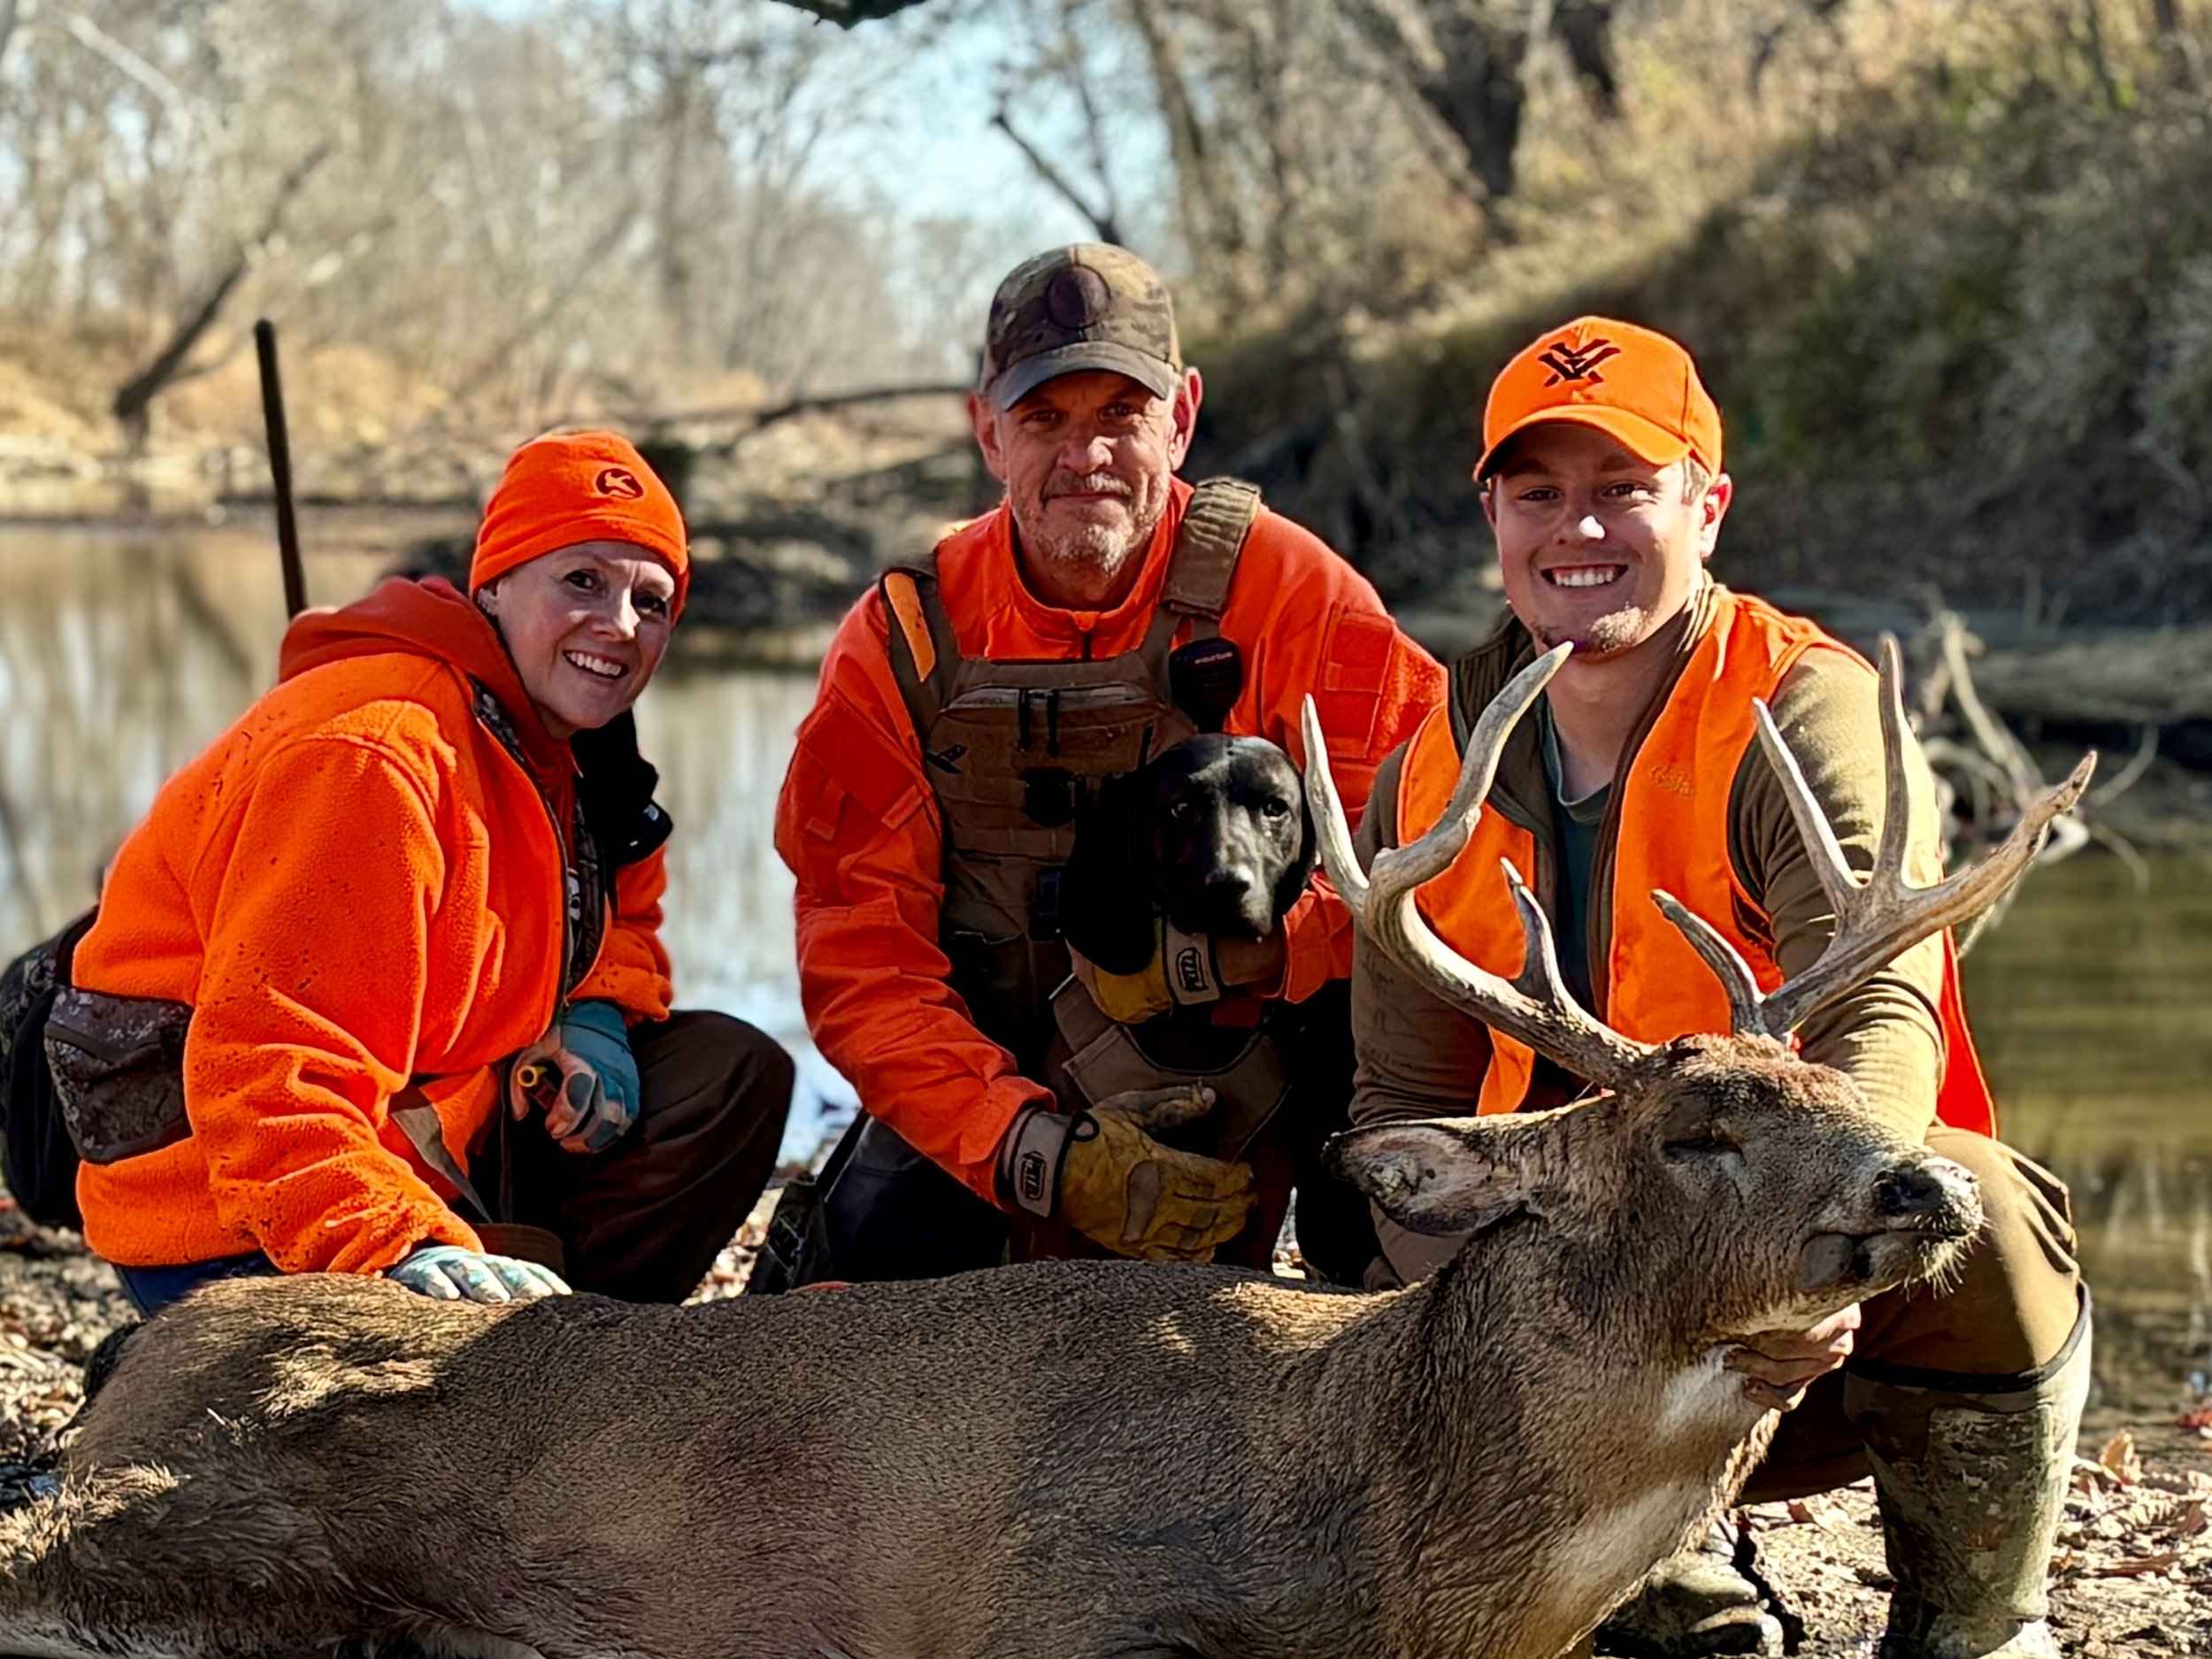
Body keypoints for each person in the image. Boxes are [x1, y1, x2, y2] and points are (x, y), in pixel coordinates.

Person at [1346, 318, 2087, 1659]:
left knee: (1991, 1227)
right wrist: (1508, 1338)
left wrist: (1813, 1267)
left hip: (1803, 1270)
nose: (1580, 529)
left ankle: (1974, 1623)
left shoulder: (1796, 707)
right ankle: (1636, 1559)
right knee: (1363, 1219)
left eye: (1625, 487)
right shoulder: (1425, 774)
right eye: (1540, 493)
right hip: (1573, 1298)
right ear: (1496, 518)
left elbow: (1883, 1009)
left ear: (1707, 503)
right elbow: (1403, 1095)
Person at [769, 243, 1445, 1286]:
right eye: (1045, 419)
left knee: (1402, 1254)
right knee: (853, 1301)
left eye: (1119, 416)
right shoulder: (902, 640)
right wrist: (1036, 1156)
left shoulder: (1295, 595)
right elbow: (862, 963)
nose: (1084, 455)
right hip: (989, 1071)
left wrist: (1256, 956)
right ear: (987, 430)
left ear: (1180, 418)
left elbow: (1426, 857)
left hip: (1255, 1062)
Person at [54, 431, 793, 1314]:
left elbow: (616, 915)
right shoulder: (376, 757)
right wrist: (389, 1245)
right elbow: (268, 1070)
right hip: (238, 1208)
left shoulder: (577, 754)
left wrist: (593, 1012)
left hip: (430, 1139)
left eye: (653, 601)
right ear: (494, 585)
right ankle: (476, 1361)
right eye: (582, 581)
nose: (621, 625)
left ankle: (577, 1352)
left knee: (727, 1074)